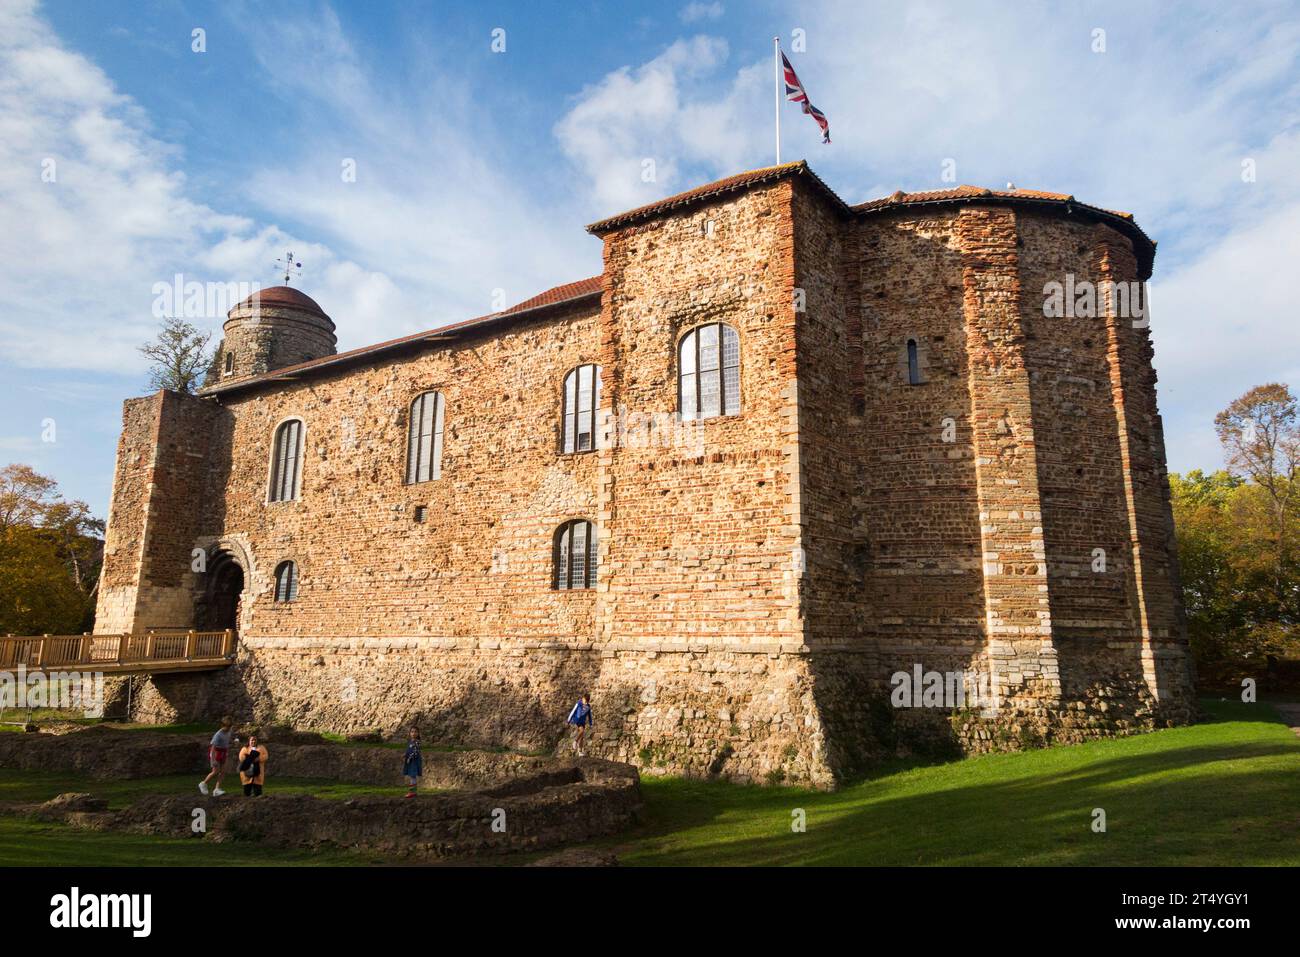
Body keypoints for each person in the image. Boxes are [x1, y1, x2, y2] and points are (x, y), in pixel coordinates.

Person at [199, 716, 238, 796]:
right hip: (216, 752)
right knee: (215, 771)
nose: (229, 728)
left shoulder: (229, 731)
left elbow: (228, 739)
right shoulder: (218, 735)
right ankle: (203, 783)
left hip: (224, 752)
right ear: (223, 726)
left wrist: (234, 742)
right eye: (227, 727)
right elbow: (213, 748)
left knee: (223, 771)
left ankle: (217, 789)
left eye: (230, 727)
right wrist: (213, 760)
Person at [237, 733, 268, 797]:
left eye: (255, 740)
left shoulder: (261, 748)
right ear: (249, 741)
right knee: (247, 789)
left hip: (258, 771)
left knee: (258, 789)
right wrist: (250, 759)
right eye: (252, 740)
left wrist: (258, 758)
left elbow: (266, 756)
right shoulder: (245, 748)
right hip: (247, 771)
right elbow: (241, 757)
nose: (253, 741)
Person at [402, 728, 423, 799]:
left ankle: (412, 792)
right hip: (410, 761)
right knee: (411, 776)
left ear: (418, 733)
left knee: (412, 775)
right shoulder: (410, 742)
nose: (413, 733)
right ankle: (413, 792)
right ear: (410, 733)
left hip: (414, 761)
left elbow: (415, 752)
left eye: (415, 732)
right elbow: (409, 750)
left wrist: (409, 758)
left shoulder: (417, 742)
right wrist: (405, 754)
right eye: (412, 732)